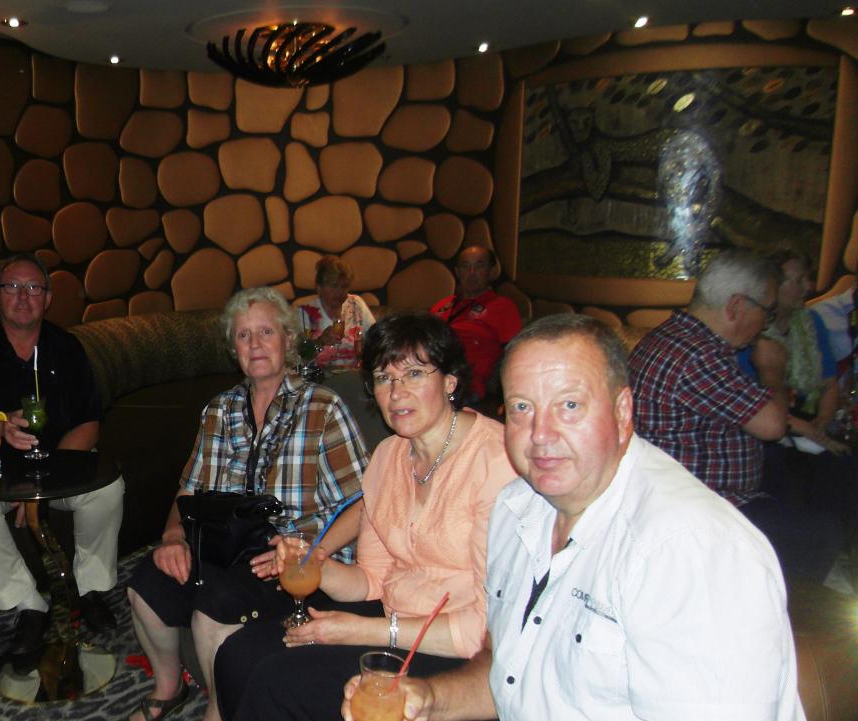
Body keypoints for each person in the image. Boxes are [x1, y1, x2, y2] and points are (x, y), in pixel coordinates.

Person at [342, 314, 805, 721]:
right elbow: (509, 675)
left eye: (569, 405)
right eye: (522, 407)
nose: (541, 434)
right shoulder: (517, 508)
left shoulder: (688, 550)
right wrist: (427, 699)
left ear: (623, 410)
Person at [215, 314, 516, 721]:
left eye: (414, 374)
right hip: (392, 619)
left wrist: (360, 631)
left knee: (278, 681)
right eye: (383, 378)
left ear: (450, 381)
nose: (396, 393)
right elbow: (371, 579)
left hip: (455, 650)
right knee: (237, 653)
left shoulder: (496, 463)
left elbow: (486, 626)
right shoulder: (388, 457)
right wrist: (312, 563)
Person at [125, 287, 369, 721]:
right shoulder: (219, 410)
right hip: (223, 547)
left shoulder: (323, 408)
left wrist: (309, 555)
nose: (255, 344)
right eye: (243, 335)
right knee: (147, 581)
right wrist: (173, 536)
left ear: (288, 340)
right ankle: (169, 687)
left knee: (215, 605)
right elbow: (188, 490)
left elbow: (364, 503)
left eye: (266, 332)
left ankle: (221, 710)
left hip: (291, 559)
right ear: (233, 347)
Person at [0, 253, 124, 672]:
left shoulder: (66, 348)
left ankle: (90, 588)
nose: (23, 297)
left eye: (34, 288)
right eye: (13, 287)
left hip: (56, 468)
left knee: (107, 489)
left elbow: (89, 424)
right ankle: (28, 604)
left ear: (48, 299)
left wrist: (41, 486)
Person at [629, 249, 842, 582]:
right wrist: (772, 370)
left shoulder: (675, 337)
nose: (766, 324)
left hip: (682, 489)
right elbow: (772, 425)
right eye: (767, 312)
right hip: (700, 503)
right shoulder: (698, 355)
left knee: (805, 476)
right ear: (736, 306)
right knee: (823, 532)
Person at [737, 250, 857, 560]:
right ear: (773, 286)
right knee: (779, 462)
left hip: (806, 420)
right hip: (766, 424)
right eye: (799, 279)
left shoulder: (811, 321)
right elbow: (751, 401)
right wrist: (810, 431)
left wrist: (823, 421)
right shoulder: (752, 330)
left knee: (843, 462)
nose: (808, 286)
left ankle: (836, 550)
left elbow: (829, 382)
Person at [430, 245, 522, 407]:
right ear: (457, 272)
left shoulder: (502, 307)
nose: (471, 272)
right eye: (465, 266)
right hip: (428, 374)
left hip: (462, 384)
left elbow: (516, 353)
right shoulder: (442, 305)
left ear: (491, 272)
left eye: (479, 265)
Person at [299, 255, 376, 369]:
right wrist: (320, 342)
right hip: (319, 376)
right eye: (334, 286)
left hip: (355, 374)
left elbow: (377, 338)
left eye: (344, 286)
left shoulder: (356, 304)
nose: (340, 292)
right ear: (319, 288)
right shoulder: (305, 313)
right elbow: (299, 358)